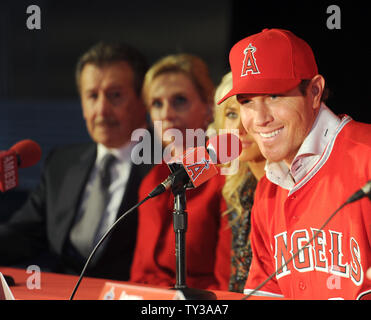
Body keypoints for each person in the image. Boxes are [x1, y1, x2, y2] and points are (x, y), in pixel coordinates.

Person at [218, 28, 371, 299]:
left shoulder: (366, 155)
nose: (260, 118)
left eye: (274, 96)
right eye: (247, 102)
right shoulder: (268, 189)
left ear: (314, 92)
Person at [0, 42, 153, 281]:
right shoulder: (61, 163)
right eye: (92, 96)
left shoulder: (168, 166)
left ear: (143, 99)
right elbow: (24, 234)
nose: (101, 110)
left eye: (115, 96)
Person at [130, 54, 231, 290]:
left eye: (179, 101)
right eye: (157, 103)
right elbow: (140, 274)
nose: (166, 113)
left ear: (208, 107)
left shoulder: (225, 179)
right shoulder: (152, 180)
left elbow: (227, 283)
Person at [210, 71, 265, 293]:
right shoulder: (236, 187)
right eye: (232, 114)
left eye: (249, 110)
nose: (240, 128)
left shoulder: (289, 185)